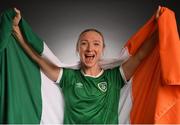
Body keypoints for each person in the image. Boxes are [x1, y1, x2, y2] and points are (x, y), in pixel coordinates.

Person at [12, 6, 161, 124]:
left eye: (96, 44)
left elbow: (140, 56)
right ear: (78, 49)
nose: (90, 48)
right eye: (84, 44)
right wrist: (18, 34)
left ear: (102, 50)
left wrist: (160, 27)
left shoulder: (114, 77)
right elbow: (38, 60)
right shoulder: (68, 77)